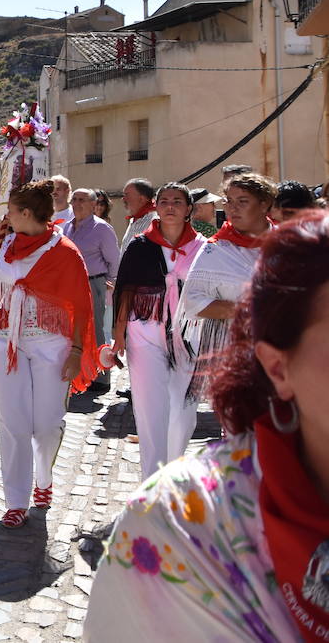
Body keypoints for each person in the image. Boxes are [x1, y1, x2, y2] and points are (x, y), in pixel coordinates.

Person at [84, 211, 329, 642]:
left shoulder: (201, 246)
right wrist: (119, 335)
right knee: (155, 415)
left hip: (184, 346)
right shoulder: (174, 526)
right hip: (156, 339)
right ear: (278, 366)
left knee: (179, 418)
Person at [0, 180, 99, 529]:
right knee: (12, 422)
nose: (5, 217)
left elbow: (82, 304)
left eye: (10, 210)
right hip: (5, 340)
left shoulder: (65, 251)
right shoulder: (7, 243)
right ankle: (16, 501)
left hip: (51, 343)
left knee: (47, 424)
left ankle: (44, 478)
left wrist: (76, 350)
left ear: (26, 213)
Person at [111, 182, 206, 479]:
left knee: (184, 413)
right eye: (164, 201)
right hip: (145, 331)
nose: (170, 206)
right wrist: (119, 333)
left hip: (188, 335)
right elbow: (124, 289)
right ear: (156, 206)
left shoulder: (204, 248)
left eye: (177, 201)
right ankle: (152, 485)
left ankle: (172, 474)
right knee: (150, 410)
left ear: (188, 209)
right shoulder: (140, 246)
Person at [176, 172, 276, 404]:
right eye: (229, 201)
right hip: (234, 353)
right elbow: (192, 301)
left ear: (264, 204)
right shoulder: (216, 249)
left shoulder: (287, 244)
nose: (232, 208)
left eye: (242, 201)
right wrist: (247, 310)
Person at [63, 188, 120, 391]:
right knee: (73, 328)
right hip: (71, 284)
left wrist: (109, 283)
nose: (77, 203)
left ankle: (102, 377)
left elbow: (114, 260)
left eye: (82, 200)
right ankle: (81, 373)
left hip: (93, 283)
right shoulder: (67, 227)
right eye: (75, 199)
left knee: (96, 329)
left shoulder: (101, 228)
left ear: (93, 204)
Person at [118, 178, 158, 255]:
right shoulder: (133, 220)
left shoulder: (155, 221)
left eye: (127, 195)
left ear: (142, 199)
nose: (123, 199)